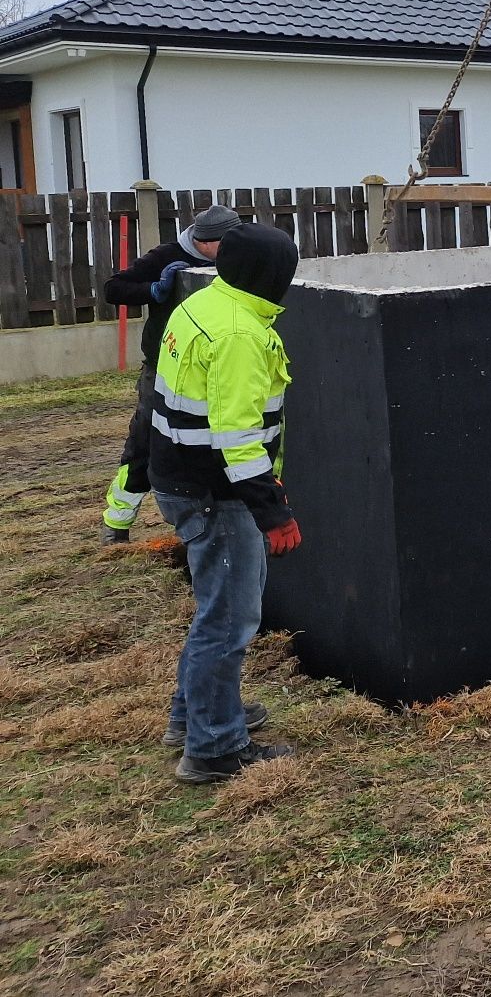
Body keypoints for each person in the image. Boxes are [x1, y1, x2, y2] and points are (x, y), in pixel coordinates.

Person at [150, 223, 302, 784]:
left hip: (182, 482)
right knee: (231, 621)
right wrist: (274, 513)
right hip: (217, 495)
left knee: (214, 611)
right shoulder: (239, 335)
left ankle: (193, 716)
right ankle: (213, 748)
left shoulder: (205, 302)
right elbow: (238, 441)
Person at [98, 204, 242, 543]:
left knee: (219, 440)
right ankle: (118, 521)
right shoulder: (167, 256)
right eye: (225, 244)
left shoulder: (241, 255)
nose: (231, 251)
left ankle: (213, 518)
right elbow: (113, 288)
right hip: (164, 367)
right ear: (203, 242)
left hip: (217, 365)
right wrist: (153, 290)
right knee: (146, 440)